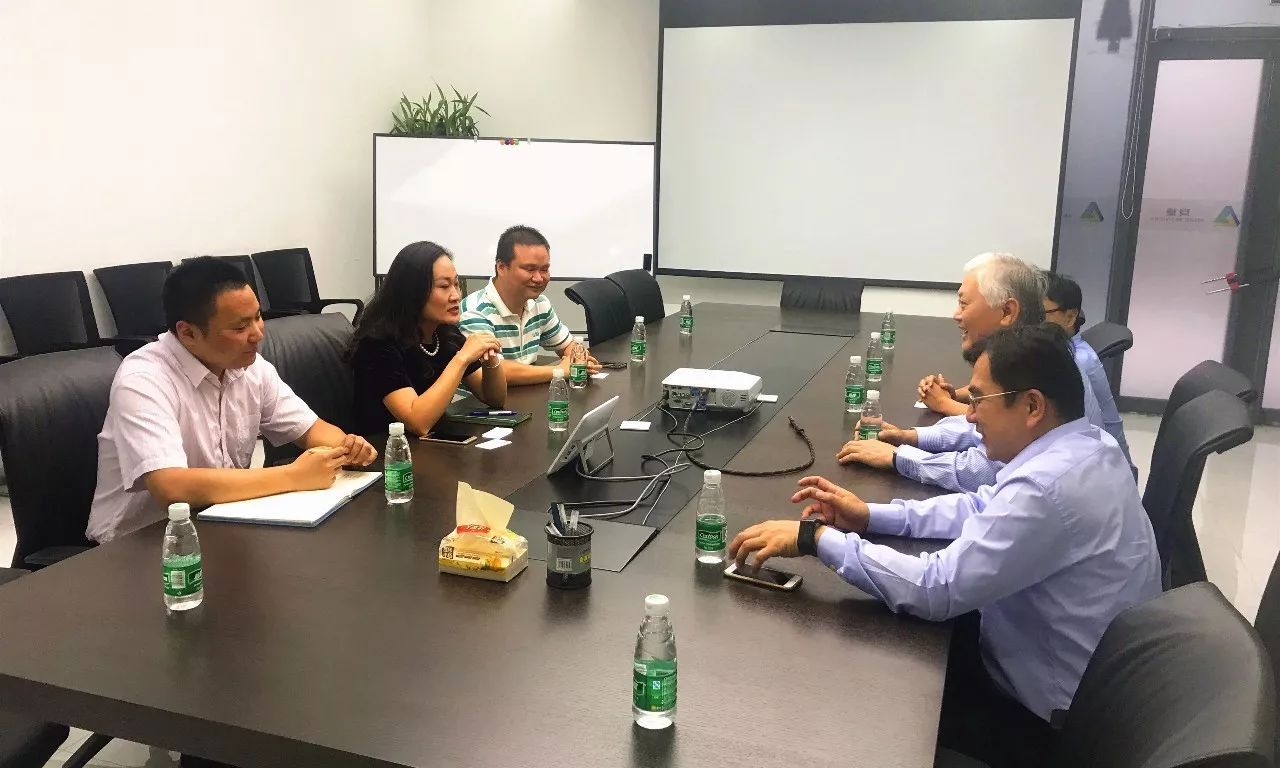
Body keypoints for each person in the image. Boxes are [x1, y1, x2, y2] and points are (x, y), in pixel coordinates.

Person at [730, 325, 1161, 768]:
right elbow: (980, 506)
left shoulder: (1046, 488)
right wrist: (870, 516)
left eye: (979, 401)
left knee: (861, 704)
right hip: (1086, 689)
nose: (969, 417)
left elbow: (935, 589)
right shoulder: (1089, 445)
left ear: (1032, 406)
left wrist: (815, 539)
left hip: (1045, 727)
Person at [87, 257, 378, 542]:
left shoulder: (250, 367)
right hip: (142, 544)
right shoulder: (144, 379)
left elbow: (311, 429)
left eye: (258, 317)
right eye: (240, 328)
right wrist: (293, 476)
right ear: (187, 332)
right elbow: (171, 486)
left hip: (221, 523)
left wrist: (346, 448)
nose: (258, 334)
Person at [349, 241, 506, 436]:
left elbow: (495, 399)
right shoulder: (378, 343)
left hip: (434, 444)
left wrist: (491, 361)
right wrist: (462, 358)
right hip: (390, 450)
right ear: (412, 292)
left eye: (456, 284)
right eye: (444, 286)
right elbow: (418, 423)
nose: (456, 295)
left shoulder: (445, 334)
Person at [458, 224, 599, 385]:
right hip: (485, 401)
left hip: (526, 395)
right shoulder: (475, 311)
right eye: (530, 269)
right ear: (501, 267)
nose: (539, 278)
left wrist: (578, 359)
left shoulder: (540, 304)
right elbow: (496, 371)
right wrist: (560, 370)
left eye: (544, 269)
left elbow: (568, 346)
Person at [1042, 271, 1133, 466]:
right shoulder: (1070, 350)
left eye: (1040, 314)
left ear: (1070, 317)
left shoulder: (1070, 362)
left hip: (1101, 466)